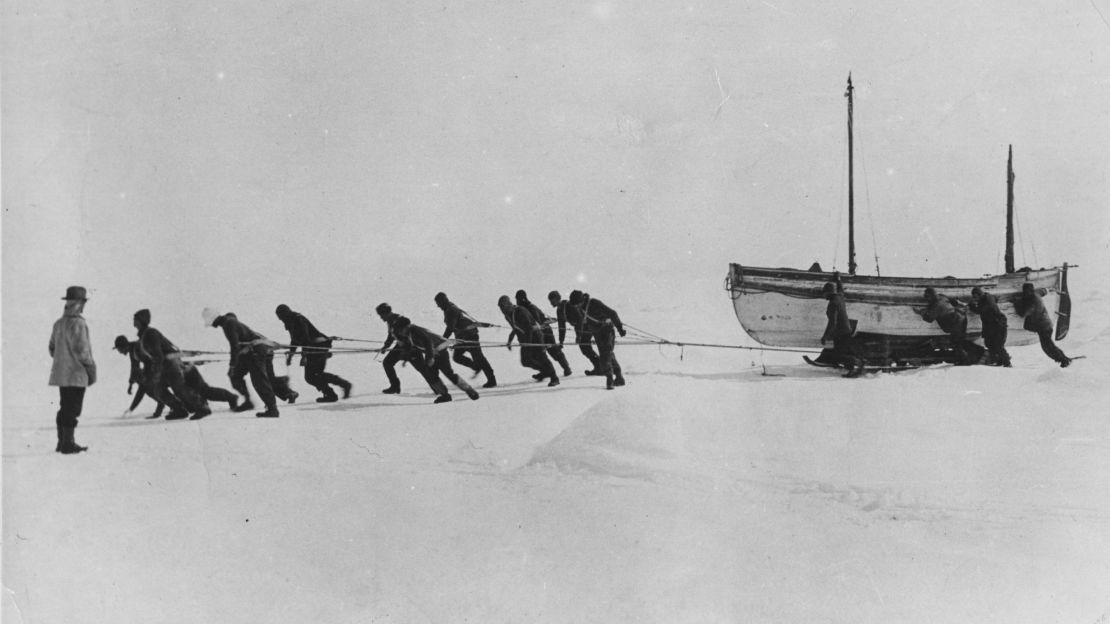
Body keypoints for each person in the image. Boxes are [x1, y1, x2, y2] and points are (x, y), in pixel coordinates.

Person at [203, 307, 298, 418]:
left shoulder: (229, 324)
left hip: (255, 351)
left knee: (259, 380)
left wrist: (232, 365)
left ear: (214, 319)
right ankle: (250, 402)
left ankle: (272, 409)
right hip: (257, 350)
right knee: (238, 376)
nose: (212, 325)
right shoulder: (230, 322)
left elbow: (235, 346)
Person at [134, 309, 212, 420]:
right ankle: (179, 410)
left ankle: (202, 407)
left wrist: (156, 374)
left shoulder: (150, 333)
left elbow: (158, 355)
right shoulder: (144, 335)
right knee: (159, 390)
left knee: (179, 388)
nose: (133, 321)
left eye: (136, 318)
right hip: (165, 365)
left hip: (171, 364)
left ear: (141, 321)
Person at [49, 286, 96, 454]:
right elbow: (83, 351)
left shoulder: (58, 324)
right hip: (76, 374)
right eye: (83, 302)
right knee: (73, 409)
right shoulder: (79, 323)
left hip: (62, 374)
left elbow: (51, 349)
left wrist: (63, 360)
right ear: (79, 303)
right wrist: (90, 368)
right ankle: (68, 444)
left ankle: (62, 442)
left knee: (64, 406)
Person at [275, 304, 352, 403]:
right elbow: (295, 340)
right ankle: (333, 391)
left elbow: (305, 339)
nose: (281, 320)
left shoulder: (298, 320)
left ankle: (339, 388)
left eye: (281, 317)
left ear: (285, 314)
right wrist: (291, 355)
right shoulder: (291, 321)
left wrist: (304, 356)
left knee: (312, 376)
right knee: (312, 376)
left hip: (318, 346)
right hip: (313, 348)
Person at [395, 317, 480, 404]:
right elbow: (411, 346)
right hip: (433, 353)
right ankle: (444, 395)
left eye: (401, 329)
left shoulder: (415, 331)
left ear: (406, 326)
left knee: (448, 373)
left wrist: (430, 358)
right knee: (430, 374)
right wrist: (406, 358)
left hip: (440, 352)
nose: (400, 332)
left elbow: (427, 342)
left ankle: (469, 390)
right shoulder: (410, 333)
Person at [435, 292, 496, 388]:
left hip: (470, 336)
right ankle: (476, 367)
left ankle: (492, 380)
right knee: (457, 356)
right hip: (462, 337)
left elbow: (451, 327)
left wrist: (442, 340)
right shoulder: (448, 309)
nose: (438, 306)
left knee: (479, 358)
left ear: (443, 301)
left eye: (438, 304)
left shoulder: (452, 310)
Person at [568, 290, 626, 389]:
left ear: (582, 300)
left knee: (605, 355)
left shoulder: (594, 303)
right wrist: (581, 335)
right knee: (608, 354)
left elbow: (612, 313)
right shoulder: (581, 308)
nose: (576, 307)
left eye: (577, 304)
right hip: (597, 333)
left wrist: (620, 328)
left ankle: (610, 379)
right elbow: (584, 322)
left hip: (607, 331)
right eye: (575, 305)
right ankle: (619, 378)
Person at [497, 295, 559, 386]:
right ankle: (545, 371)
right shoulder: (508, 316)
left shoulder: (520, 311)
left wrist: (528, 344)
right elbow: (515, 328)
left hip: (536, 336)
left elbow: (529, 328)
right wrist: (509, 341)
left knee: (542, 357)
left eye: (503, 307)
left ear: (509, 304)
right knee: (525, 361)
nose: (502, 310)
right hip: (525, 340)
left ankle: (554, 378)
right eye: (500, 308)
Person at [375, 303, 436, 394]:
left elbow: (407, 332)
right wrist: (386, 346)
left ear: (386, 314)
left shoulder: (399, 320)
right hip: (400, 346)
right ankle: (395, 386)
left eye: (381, 315)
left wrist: (405, 352)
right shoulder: (390, 321)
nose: (381, 318)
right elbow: (391, 335)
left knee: (422, 369)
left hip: (411, 348)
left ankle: (438, 389)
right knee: (387, 363)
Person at [515, 289, 572, 376]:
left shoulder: (530, 307)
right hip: (537, 333)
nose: (516, 302)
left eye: (517, 299)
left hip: (545, 331)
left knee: (553, 351)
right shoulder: (524, 308)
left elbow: (538, 321)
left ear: (521, 299)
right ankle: (545, 372)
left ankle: (566, 368)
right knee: (538, 355)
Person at [1015, 282, 1072, 367]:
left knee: (1048, 347)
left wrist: (1017, 303)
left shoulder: (1033, 302)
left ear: (1031, 291)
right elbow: (1042, 291)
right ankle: (1063, 359)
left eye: (1027, 291)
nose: (1025, 293)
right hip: (1044, 326)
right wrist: (1047, 290)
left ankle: (1064, 360)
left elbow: (1023, 313)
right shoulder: (1035, 294)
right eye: (1024, 291)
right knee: (1048, 346)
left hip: (1044, 327)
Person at [548, 290, 602, 375]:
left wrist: (579, 335)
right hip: (580, 328)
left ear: (557, 299)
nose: (550, 303)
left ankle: (600, 367)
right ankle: (599, 366)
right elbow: (562, 327)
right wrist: (561, 341)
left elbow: (580, 319)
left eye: (552, 300)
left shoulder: (568, 305)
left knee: (585, 347)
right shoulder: (559, 310)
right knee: (585, 348)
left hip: (586, 326)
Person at [113, 335, 168, 419]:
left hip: (159, 365)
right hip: (153, 366)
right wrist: (131, 384)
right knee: (145, 385)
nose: (119, 352)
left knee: (146, 386)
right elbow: (134, 367)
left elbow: (149, 362)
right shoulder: (132, 349)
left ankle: (161, 405)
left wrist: (131, 409)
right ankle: (163, 403)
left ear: (123, 346)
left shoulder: (137, 348)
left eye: (119, 349)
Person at [819, 282, 864, 377]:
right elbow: (841, 290)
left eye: (825, 293)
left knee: (840, 353)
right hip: (845, 329)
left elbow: (832, 323)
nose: (823, 295)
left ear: (829, 293)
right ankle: (826, 359)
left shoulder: (833, 304)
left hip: (841, 332)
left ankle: (854, 369)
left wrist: (825, 336)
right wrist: (838, 280)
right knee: (834, 347)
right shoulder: (839, 297)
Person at [919, 287, 973, 363]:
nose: (927, 300)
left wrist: (920, 312)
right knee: (959, 341)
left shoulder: (937, 305)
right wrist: (961, 303)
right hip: (960, 317)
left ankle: (965, 361)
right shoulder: (941, 296)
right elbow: (953, 301)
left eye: (928, 297)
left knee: (957, 343)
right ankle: (964, 359)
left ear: (932, 296)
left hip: (956, 322)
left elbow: (929, 318)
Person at [968, 287, 1012, 367]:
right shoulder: (986, 298)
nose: (975, 299)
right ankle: (999, 360)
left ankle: (1007, 362)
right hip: (991, 326)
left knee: (998, 345)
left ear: (979, 295)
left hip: (998, 325)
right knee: (989, 344)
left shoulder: (988, 300)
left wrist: (971, 305)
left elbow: (980, 310)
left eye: (975, 297)